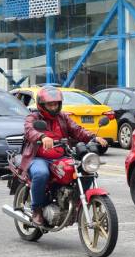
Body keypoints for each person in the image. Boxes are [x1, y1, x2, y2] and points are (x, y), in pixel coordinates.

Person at [19, 86, 108, 226]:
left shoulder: (63, 117)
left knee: (85, 170)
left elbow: (78, 130)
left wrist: (93, 137)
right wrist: (42, 137)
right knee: (41, 174)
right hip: (38, 157)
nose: (53, 107)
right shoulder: (33, 117)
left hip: (61, 156)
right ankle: (37, 209)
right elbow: (29, 131)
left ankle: (77, 203)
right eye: (50, 104)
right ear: (42, 105)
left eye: (56, 104)